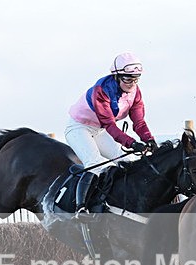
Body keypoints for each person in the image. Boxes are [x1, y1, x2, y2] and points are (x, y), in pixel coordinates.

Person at [65, 52, 158, 217]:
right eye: (128, 79)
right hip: (79, 128)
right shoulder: (101, 90)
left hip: (100, 130)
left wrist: (149, 140)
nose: (132, 83)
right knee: (95, 164)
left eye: (135, 78)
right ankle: (81, 208)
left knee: (127, 160)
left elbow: (139, 123)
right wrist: (132, 143)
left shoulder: (135, 93)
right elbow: (110, 125)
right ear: (116, 76)